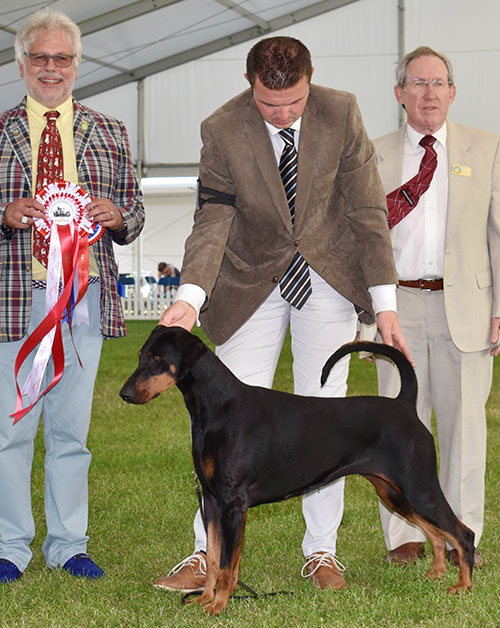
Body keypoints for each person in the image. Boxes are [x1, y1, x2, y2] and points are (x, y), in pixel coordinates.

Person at [155, 36, 411, 593]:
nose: (284, 113)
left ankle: (322, 553)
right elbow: (212, 219)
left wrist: (385, 306)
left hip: (327, 276)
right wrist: (190, 295)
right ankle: (204, 555)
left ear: (310, 79)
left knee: (328, 416)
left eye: (294, 101)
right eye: (271, 105)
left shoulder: (341, 111)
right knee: (224, 422)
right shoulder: (221, 128)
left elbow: (367, 208)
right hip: (249, 281)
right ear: (251, 84)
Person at [0, 8, 144, 583]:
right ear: (22, 64)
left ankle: (68, 543)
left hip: (81, 302)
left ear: (77, 65)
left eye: (62, 58)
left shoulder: (110, 130)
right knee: (12, 429)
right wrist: (3, 213)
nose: (52, 67)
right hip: (15, 301)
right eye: (41, 57)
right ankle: (10, 547)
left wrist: (117, 217)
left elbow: (133, 208)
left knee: (71, 433)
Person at [365, 46, 500, 567]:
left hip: (464, 306)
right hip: (394, 308)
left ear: (453, 92)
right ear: (399, 94)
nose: (429, 93)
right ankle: (406, 536)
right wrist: (367, 312)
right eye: (417, 83)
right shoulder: (370, 153)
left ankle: (462, 534)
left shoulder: (486, 149)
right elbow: (360, 238)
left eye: (438, 82)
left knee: (465, 427)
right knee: (395, 428)